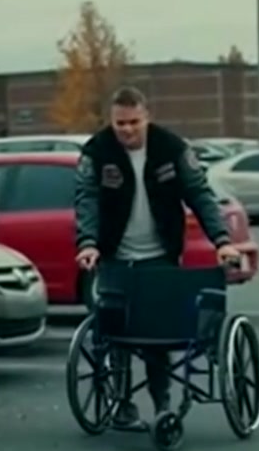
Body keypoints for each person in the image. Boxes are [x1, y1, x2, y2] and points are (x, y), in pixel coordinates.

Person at [75, 86, 243, 429]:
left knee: (156, 337)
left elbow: (199, 194)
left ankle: (162, 405)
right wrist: (88, 242)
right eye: (120, 123)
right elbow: (87, 198)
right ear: (111, 120)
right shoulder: (97, 151)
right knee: (115, 333)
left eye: (134, 122)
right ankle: (122, 405)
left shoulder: (172, 148)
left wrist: (222, 241)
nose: (127, 130)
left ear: (146, 117)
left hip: (159, 255)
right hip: (115, 255)